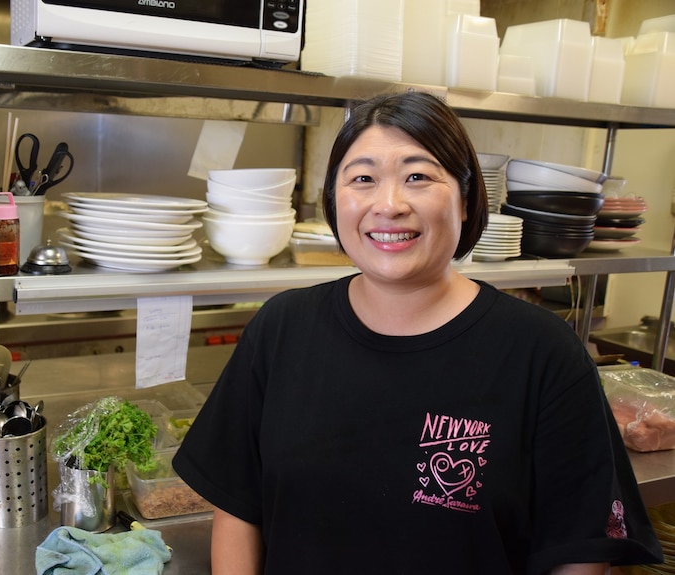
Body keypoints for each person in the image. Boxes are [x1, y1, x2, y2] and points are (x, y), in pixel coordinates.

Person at [172, 91, 663, 574]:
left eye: (418, 177)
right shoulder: (280, 329)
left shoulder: (542, 352)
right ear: (333, 201)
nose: (389, 204)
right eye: (362, 178)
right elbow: (237, 507)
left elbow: (580, 551)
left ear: (467, 200)